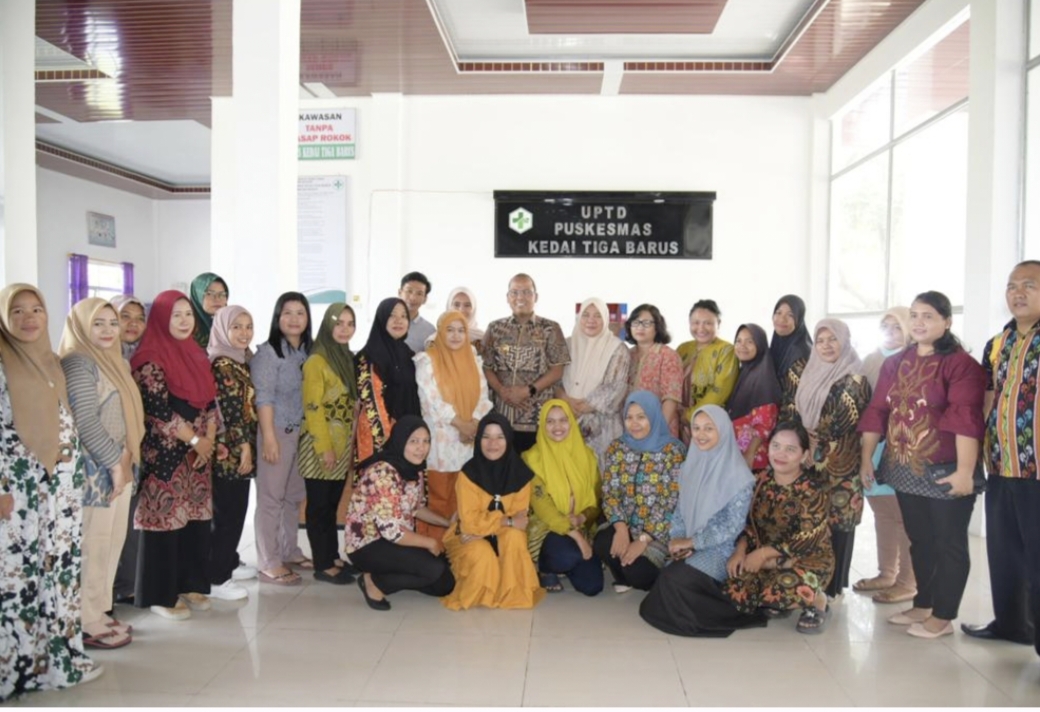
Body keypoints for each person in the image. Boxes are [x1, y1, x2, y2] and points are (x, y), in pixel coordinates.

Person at [859, 291, 986, 639]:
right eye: (914, 315)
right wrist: (866, 456)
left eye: (928, 316)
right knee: (921, 540)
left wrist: (964, 472)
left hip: (946, 469)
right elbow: (878, 412)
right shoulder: (896, 362)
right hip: (904, 467)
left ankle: (943, 617)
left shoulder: (960, 365)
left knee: (949, 543)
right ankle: (923, 603)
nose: (918, 322)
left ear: (946, 322)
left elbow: (965, 418)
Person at [0, 284, 102, 699]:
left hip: (58, 493)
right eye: (18, 311)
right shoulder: (3, 362)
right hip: (18, 493)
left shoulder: (53, 362)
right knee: (19, 578)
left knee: (57, 576)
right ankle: (17, 668)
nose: (29, 318)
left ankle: (57, 660)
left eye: (37, 310)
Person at [59, 298, 146, 649]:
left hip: (120, 465)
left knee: (111, 543)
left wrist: (125, 462)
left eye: (113, 322)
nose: (109, 330)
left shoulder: (115, 362)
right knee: (93, 545)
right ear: (81, 326)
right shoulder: (79, 362)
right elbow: (85, 422)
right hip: (97, 471)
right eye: (99, 323)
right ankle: (85, 619)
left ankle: (99, 609)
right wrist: (116, 462)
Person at [964, 261, 1040, 649]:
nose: (1018, 293)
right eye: (1012, 286)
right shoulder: (999, 342)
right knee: (1004, 551)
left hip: (1038, 469)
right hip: (1002, 464)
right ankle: (1012, 624)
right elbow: (986, 398)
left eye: (1029, 285)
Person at [130, 290, 218, 620]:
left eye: (188, 314)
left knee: (194, 520)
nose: (183, 321)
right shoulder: (148, 358)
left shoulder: (196, 353)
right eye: (175, 315)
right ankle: (161, 594)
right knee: (164, 523)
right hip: (166, 456)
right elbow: (158, 411)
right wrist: (196, 439)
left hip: (197, 457)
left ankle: (190, 582)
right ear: (161, 319)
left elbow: (210, 401)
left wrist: (208, 438)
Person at [639, 405, 763, 637]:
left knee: (674, 580)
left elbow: (731, 526)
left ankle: (721, 614)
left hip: (721, 550)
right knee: (667, 579)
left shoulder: (739, 476)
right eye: (696, 428)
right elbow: (679, 510)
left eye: (709, 428)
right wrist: (677, 539)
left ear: (724, 431)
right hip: (690, 543)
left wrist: (693, 542)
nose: (701, 434)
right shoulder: (689, 466)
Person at [723, 422, 835, 634]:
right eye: (776, 446)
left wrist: (763, 554)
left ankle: (819, 600)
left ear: (804, 455)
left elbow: (805, 539)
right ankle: (782, 599)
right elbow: (746, 523)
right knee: (733, 588)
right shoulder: (759, 480)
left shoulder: (813, 490)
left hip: (805, 559)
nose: (780, 454)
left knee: (781, 590)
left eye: (790, 449)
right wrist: (740, 551)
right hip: (763, 558)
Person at [789, 318, 871, 600]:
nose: (825, 346)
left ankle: (831, 588)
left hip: (841, 468)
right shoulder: (810, 371)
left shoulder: (855, 378)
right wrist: (803, 445)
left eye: (832, 339)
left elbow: (839, 423)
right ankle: (811, 582)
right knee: (812, 523)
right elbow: (795, 412)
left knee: (838, 524)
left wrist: (813, 446)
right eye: (820, 340)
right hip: (811, 462)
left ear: (845, 341)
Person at [345, 416, 455, 611]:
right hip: (369, 545)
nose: (421, 448)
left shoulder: (413, 469)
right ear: (400, 440)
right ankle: (375, 583)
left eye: (426, 441)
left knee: (444, 583)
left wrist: (447, 523)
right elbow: (392, 531)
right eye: (414, 441)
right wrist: (430, 542)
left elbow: (416, 507)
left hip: (396, 540)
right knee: (433, 569)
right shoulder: (383, 473)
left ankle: (398, 575)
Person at [442, 413, 545, 610]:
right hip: (465, 535)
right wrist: (505, 521)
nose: (492, 443)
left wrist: (488, 526)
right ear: (478, 439)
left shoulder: (521, 474)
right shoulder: (468, 474)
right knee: (483, 554)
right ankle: (481, 592)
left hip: (487, 533)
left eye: (500, 437)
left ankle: (513, 594)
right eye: (486, 437)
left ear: (509, 439)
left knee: (515, 538)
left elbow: (520, 519)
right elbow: (469, 523)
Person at [853, 307, 917, 604]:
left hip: (904, 446)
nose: (891, 334)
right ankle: (886, 573)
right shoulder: (871, 359)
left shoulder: (917, 360)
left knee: (904, 515)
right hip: (872, 444)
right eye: (886, 327)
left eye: (897, 327)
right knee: (881, 512)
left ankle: (907, 581)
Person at [594, 391, 686, 593]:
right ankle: (624, 574)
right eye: (629, 417)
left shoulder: (672, 451)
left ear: (654, 416)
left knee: (640, 573)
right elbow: (609, 491)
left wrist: (643, 540)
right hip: (626, 525)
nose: (634, 423)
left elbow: (670, 502)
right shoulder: (618, 448)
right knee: (602, 542)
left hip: (658, 533)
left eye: (641, 417)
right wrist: (620, 529)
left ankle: (646, 575)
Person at [413, 310, 493, 541]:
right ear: (440, 331)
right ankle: (437, 551)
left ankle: (460, 551)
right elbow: (432, 400)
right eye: (450, 330)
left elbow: (483, 397)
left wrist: (474, 424)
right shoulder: (427, 360)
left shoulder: (473, 358)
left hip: (468, 443)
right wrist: (462, 425)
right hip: (440, 443)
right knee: (439, 499)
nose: (456, 336)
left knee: (464, 498)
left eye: (461, 330)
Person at [251, 292, 314, 585]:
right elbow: (263, 397)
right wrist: (270, 438)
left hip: (300, 435)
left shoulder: (307, 352)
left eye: (300, 313)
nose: (293, 319)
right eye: (287, 313)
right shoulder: (268, 352)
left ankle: (289, 550)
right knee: (271, 498)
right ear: (278, 318)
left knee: (292, 497)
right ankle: (267, 560)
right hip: (275, 432)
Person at [300, 303, 358, 585]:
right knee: (319, 506)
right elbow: (312, 408)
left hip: (341, 444)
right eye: (339, 323)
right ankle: (322, 564)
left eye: (350, 323)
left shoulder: (345, 358)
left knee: (332, 504)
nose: (345, 329)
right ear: (327, 325)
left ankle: (331, 556)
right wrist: (325, 448)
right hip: (320, 446)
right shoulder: (316, 361)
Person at [522, 399, 603, 596]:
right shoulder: (531, 459)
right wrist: (578, 537)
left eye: (563, 420)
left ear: (572, 423)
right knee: (568, 554)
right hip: (545, 529)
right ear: (542, 424)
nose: (557, 427)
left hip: (578, 526)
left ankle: (567, 561)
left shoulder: (588, 456)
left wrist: (582, 518)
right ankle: (545, 567)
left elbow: (596, 500)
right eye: (550, 421)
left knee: (592, 586)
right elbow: (544, 509)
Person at [482, 274, 570, 453]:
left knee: (536, 474)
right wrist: (501, 390)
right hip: (501, 417)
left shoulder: (550, 328)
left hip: (537, 419)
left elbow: (557, 370)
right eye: (514, 292)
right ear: (508, 297)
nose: (520, 297)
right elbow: (486, 367)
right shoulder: (494, 329)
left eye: (526, 292)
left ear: (535, 297)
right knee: (505, 475)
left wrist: (527, 391)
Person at [206, 305, 259, 597]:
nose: (244, 332)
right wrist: (244, 447)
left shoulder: (240, 360)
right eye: (236, 326)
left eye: (248, 326)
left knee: (235, 509)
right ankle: (217, 579)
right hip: (231, 450)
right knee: (228, 512)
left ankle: (227, 561)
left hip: (239, 446)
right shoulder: (223, 364)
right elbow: (231, 410)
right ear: (223, 329)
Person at [555, 297, 630, 465]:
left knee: (598, 477)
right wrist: (566, 399)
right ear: (579, 318)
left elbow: (615, 387)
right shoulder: (565, 345)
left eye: (597, 315)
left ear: (605, 319)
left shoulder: (617, 348)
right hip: (565, 419)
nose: (591, 320)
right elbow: (554, 377)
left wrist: (582, 407)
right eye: (586, 315)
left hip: (601, 427)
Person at [110, 293, 148, 605]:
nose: (133, 324)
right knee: (110, 524)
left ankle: (127, 583)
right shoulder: (103, 358)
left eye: (139, 318)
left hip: (138, 449)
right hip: (111, 455)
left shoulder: (140, 355)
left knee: (133, 519)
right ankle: (108, 592)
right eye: (125, 316)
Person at [355, 297, 422, 465]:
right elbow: (372, 403)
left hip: (408, 437)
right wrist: (390, 439)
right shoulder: (368, 357)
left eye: (403, 316)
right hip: (380, 437)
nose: (398, 321)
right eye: (392, 315)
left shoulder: (408, 355)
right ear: (382, 319)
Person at [678, 300, 739, 444]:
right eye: (696, 322)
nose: (701, 328)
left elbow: (719, 391)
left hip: (709, 423)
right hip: (678, 423)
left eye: (708, 323)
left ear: (719, 323)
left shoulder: (726, 351)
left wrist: (689, 415)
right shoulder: (683, 349)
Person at [624, 304, 683, 439]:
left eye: (646, 323)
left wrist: (656, 429)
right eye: (636, 322)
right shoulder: (626, 355)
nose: (640, 327)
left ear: (657, 327)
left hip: (659, 430)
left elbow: (671, 398)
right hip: (630, 428)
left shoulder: (668, 355)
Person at [728, 324, 781, 471]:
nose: (742, 346)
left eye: (750, 341)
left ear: (760, 344)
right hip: (739, 452)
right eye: (738, 341)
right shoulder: (745, 372)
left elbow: (765, 423)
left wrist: (750, 453)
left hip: (753, 457)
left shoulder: (763, 377)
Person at [770, 295, 813, 412]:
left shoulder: (800, 352)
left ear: (799, 319)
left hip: (793, 418)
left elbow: (795, 402)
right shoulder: (779, 343)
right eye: (778, 313)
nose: (781, 319)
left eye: (790, 315)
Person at [188, 272, 229, 349]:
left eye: (222, 294)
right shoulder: (187, 330)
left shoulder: (232, 326)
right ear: (197, 296)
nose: (217, 299)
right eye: (209, 294)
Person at [400, 271, 435, 353]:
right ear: (400, 292)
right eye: (409, 291)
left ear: (425, 299)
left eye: (419, 293)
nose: (413, 298)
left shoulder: (430, 331)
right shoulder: (385, 323)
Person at [443, 286, 485, 351]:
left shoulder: (482, 338)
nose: (461, 310)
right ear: (449, 307)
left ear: (473, 309)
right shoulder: (437, 337)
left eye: (467, 305)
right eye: (456, 305)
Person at [110, 294, 147, 361]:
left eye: (140, 318)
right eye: (126, 316)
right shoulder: (100, 355)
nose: (134, 323)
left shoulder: (146, 355)